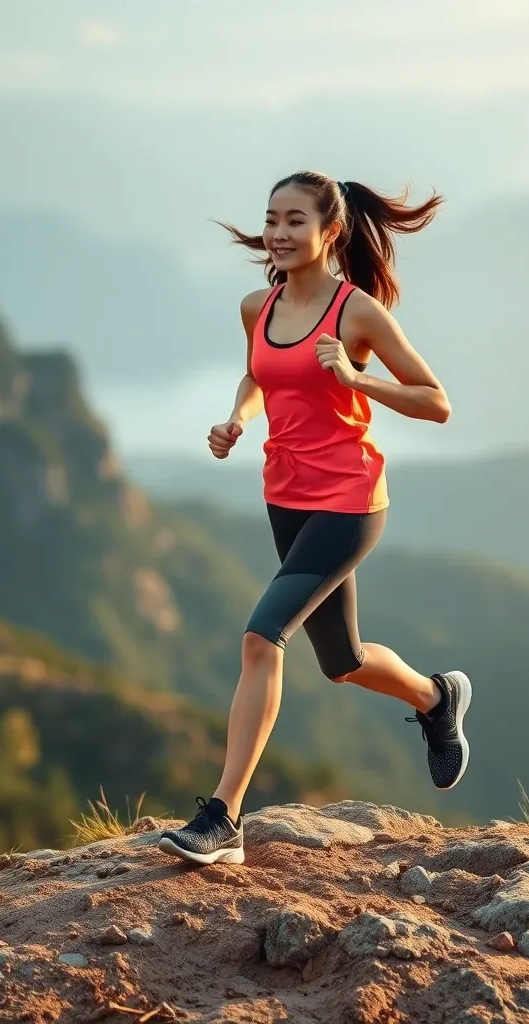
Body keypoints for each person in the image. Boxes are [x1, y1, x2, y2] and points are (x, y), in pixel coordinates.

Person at [157, 171, 472, 867]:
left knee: (261, 638)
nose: (278, 232)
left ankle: (223, 819)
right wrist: (235, 420)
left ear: (329, 230)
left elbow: (436, 400)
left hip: (350, 502)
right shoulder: (256, 306)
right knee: (343, 661)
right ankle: (435, 696)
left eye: (294, 220)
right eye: (271, 219)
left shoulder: (357, 313)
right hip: (286, 496)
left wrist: (358, 380)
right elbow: (258, 376)